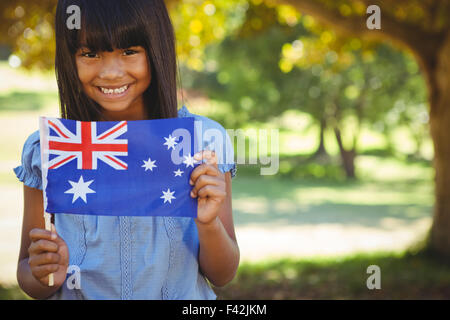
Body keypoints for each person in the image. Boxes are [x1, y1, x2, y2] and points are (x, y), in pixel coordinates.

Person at [14, 0, 239, 300]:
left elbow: (222, 275)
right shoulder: (51, 149)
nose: (110, 72)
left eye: (129, 51)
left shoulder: (203, 142)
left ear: (156, 50)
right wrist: (46, 271)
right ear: (69, 58)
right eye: (89, 53)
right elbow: (28, 274)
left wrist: (207, 223)